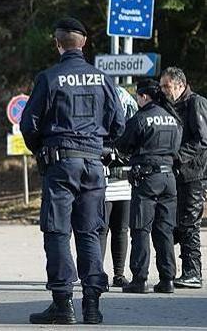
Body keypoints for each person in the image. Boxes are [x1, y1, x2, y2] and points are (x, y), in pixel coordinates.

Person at [19, 17, 124, 325]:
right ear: (84, 43)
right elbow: (118, 124)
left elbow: (28, 124)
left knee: (57, 231)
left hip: (61, 163)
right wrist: (97, 144)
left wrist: (41, 150)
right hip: (93, 163)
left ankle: (62, 303)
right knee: (90, 232)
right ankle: (92, 305)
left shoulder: (50, 78)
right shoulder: (102, 78)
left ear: (57, 43)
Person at [115, 79, 182, 294]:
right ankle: (167, 279)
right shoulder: (173, 118)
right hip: (169, 178)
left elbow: (123, 144)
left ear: (144, 96)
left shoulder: (141, 118)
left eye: (138, 96)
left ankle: (140, 279)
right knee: (165, 230)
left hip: (147, 179)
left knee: (141, 228)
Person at [159, 67, 207, 289]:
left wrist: (177, 157)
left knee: (189, 222)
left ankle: (193, 272)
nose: (163, 90)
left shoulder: (195, 103)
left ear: (179, 85)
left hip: (194, 174)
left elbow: (202, 140)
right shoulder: (170, 104)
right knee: (178, 223)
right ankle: (186, 269)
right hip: (177, 174)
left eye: (166, 86)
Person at [100, 86, 138, 287]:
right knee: (102, 230)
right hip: (104, 183)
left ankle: (119, 274)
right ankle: (97, 273)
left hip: (124, 184)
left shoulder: (132, 126)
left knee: (121, 230)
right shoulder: (99, 125)